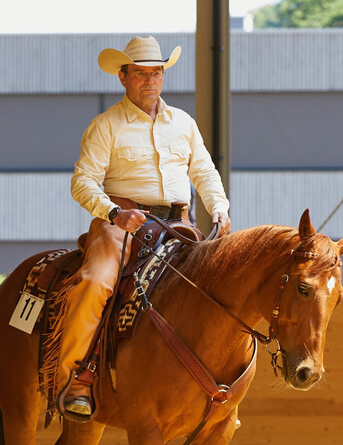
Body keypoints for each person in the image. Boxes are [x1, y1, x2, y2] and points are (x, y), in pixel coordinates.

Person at [58, 35, 231, 420]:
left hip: (179, 224)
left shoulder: (183, 123)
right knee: (96, 281)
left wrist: (218, 208)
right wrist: (113, 213)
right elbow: (83, 181)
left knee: (214, 286)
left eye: (157, 73)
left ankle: (215, 385)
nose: (151, 81)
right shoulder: (106, 125)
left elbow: (203, 171)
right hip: (121, 222)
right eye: (141, 74)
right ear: (123, 77)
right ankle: (78, 376)